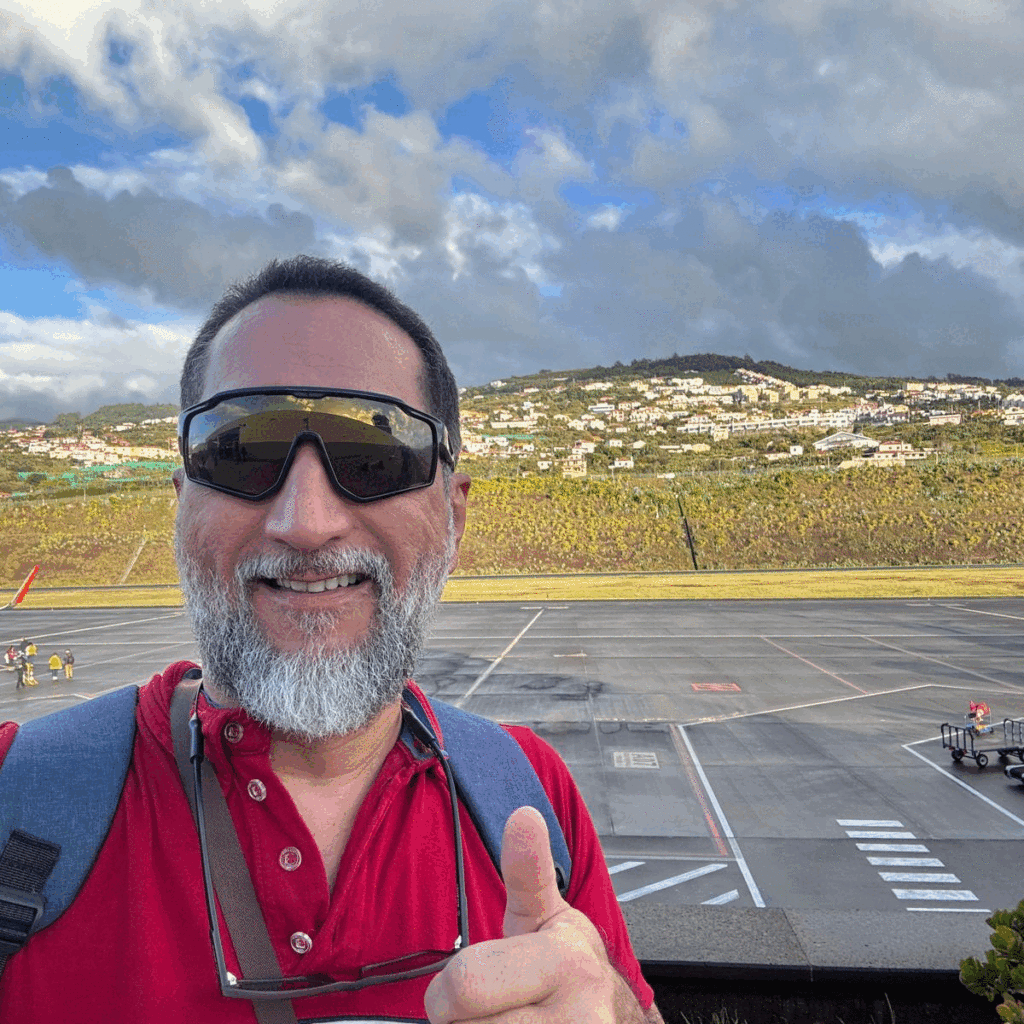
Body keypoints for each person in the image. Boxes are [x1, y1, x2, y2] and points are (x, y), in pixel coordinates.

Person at [0, 256, 663, 1024]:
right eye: (239, 451)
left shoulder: (531, 794)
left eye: (374, 457)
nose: (306, 523)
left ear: (453, 517)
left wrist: (614, 1010)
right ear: (181, 508)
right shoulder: (17, 792)